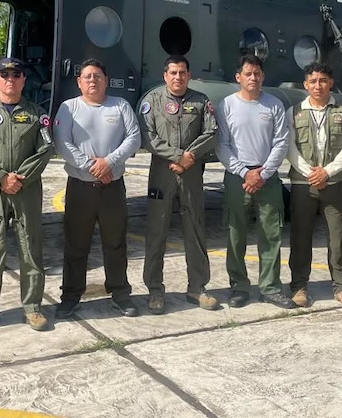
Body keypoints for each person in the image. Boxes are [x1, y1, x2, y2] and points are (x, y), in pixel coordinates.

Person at [0, 58, 54, 332]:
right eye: (4, 75)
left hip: (25, 190)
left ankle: (32, 307)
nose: (10, 79)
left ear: (23, 80)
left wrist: (20, 178)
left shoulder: (37, 115)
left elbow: (45, 150)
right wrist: (1, 177)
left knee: (30, 248)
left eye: (16, 75)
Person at [54, 59, 142, 318]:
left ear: (106, 80)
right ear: (79, 81)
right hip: (80, 187)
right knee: (75, 244)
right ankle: (70, 295)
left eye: (98, 76)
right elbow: (62, 143)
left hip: (112, 187)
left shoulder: (121, 106)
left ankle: (120, 293)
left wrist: (109, 163)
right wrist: (91, 167)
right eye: (87, 76)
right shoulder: (69, 108)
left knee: (115, 242)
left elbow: (133, 137)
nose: (92, 81)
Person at [139, 55, 219, 314]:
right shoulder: (152, 101)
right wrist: (177, 156)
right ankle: (155, 289)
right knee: (156, 230)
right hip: (162, 172)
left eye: (182, 72)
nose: (177, 77)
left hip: (192, 172)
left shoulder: (201, 101)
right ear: (165, 75)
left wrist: (188, 157)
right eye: (173, 72)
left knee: (195, 227)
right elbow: (148, 137)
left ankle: (197, 287)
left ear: (189, 75)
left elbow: (212, 132)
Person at [216, 54, 295, 309]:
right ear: (238, 77)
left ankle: (270, 287)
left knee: (271, 234)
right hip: (237, 177)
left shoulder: (274, 105)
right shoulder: (226, 106)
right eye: (248, 73)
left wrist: (263, 173)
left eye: (257, 73)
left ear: (263, 76)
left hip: (268, 178)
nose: (253, 78)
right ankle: (238, 287)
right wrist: (244, 172)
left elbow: (281, 142)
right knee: (235, 234)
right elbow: (222, 145)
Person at [286, 62, 342, 309]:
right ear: (305, 85)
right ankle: (298, 285)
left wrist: (327, 171)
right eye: (313, 81)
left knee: (338, 237)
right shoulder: (294, 111)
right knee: (300, 236)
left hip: (335, 182)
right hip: (303, 183)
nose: (318, 85)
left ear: (331, 83)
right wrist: (311, 173)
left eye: (323, 80)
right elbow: (290, 147)